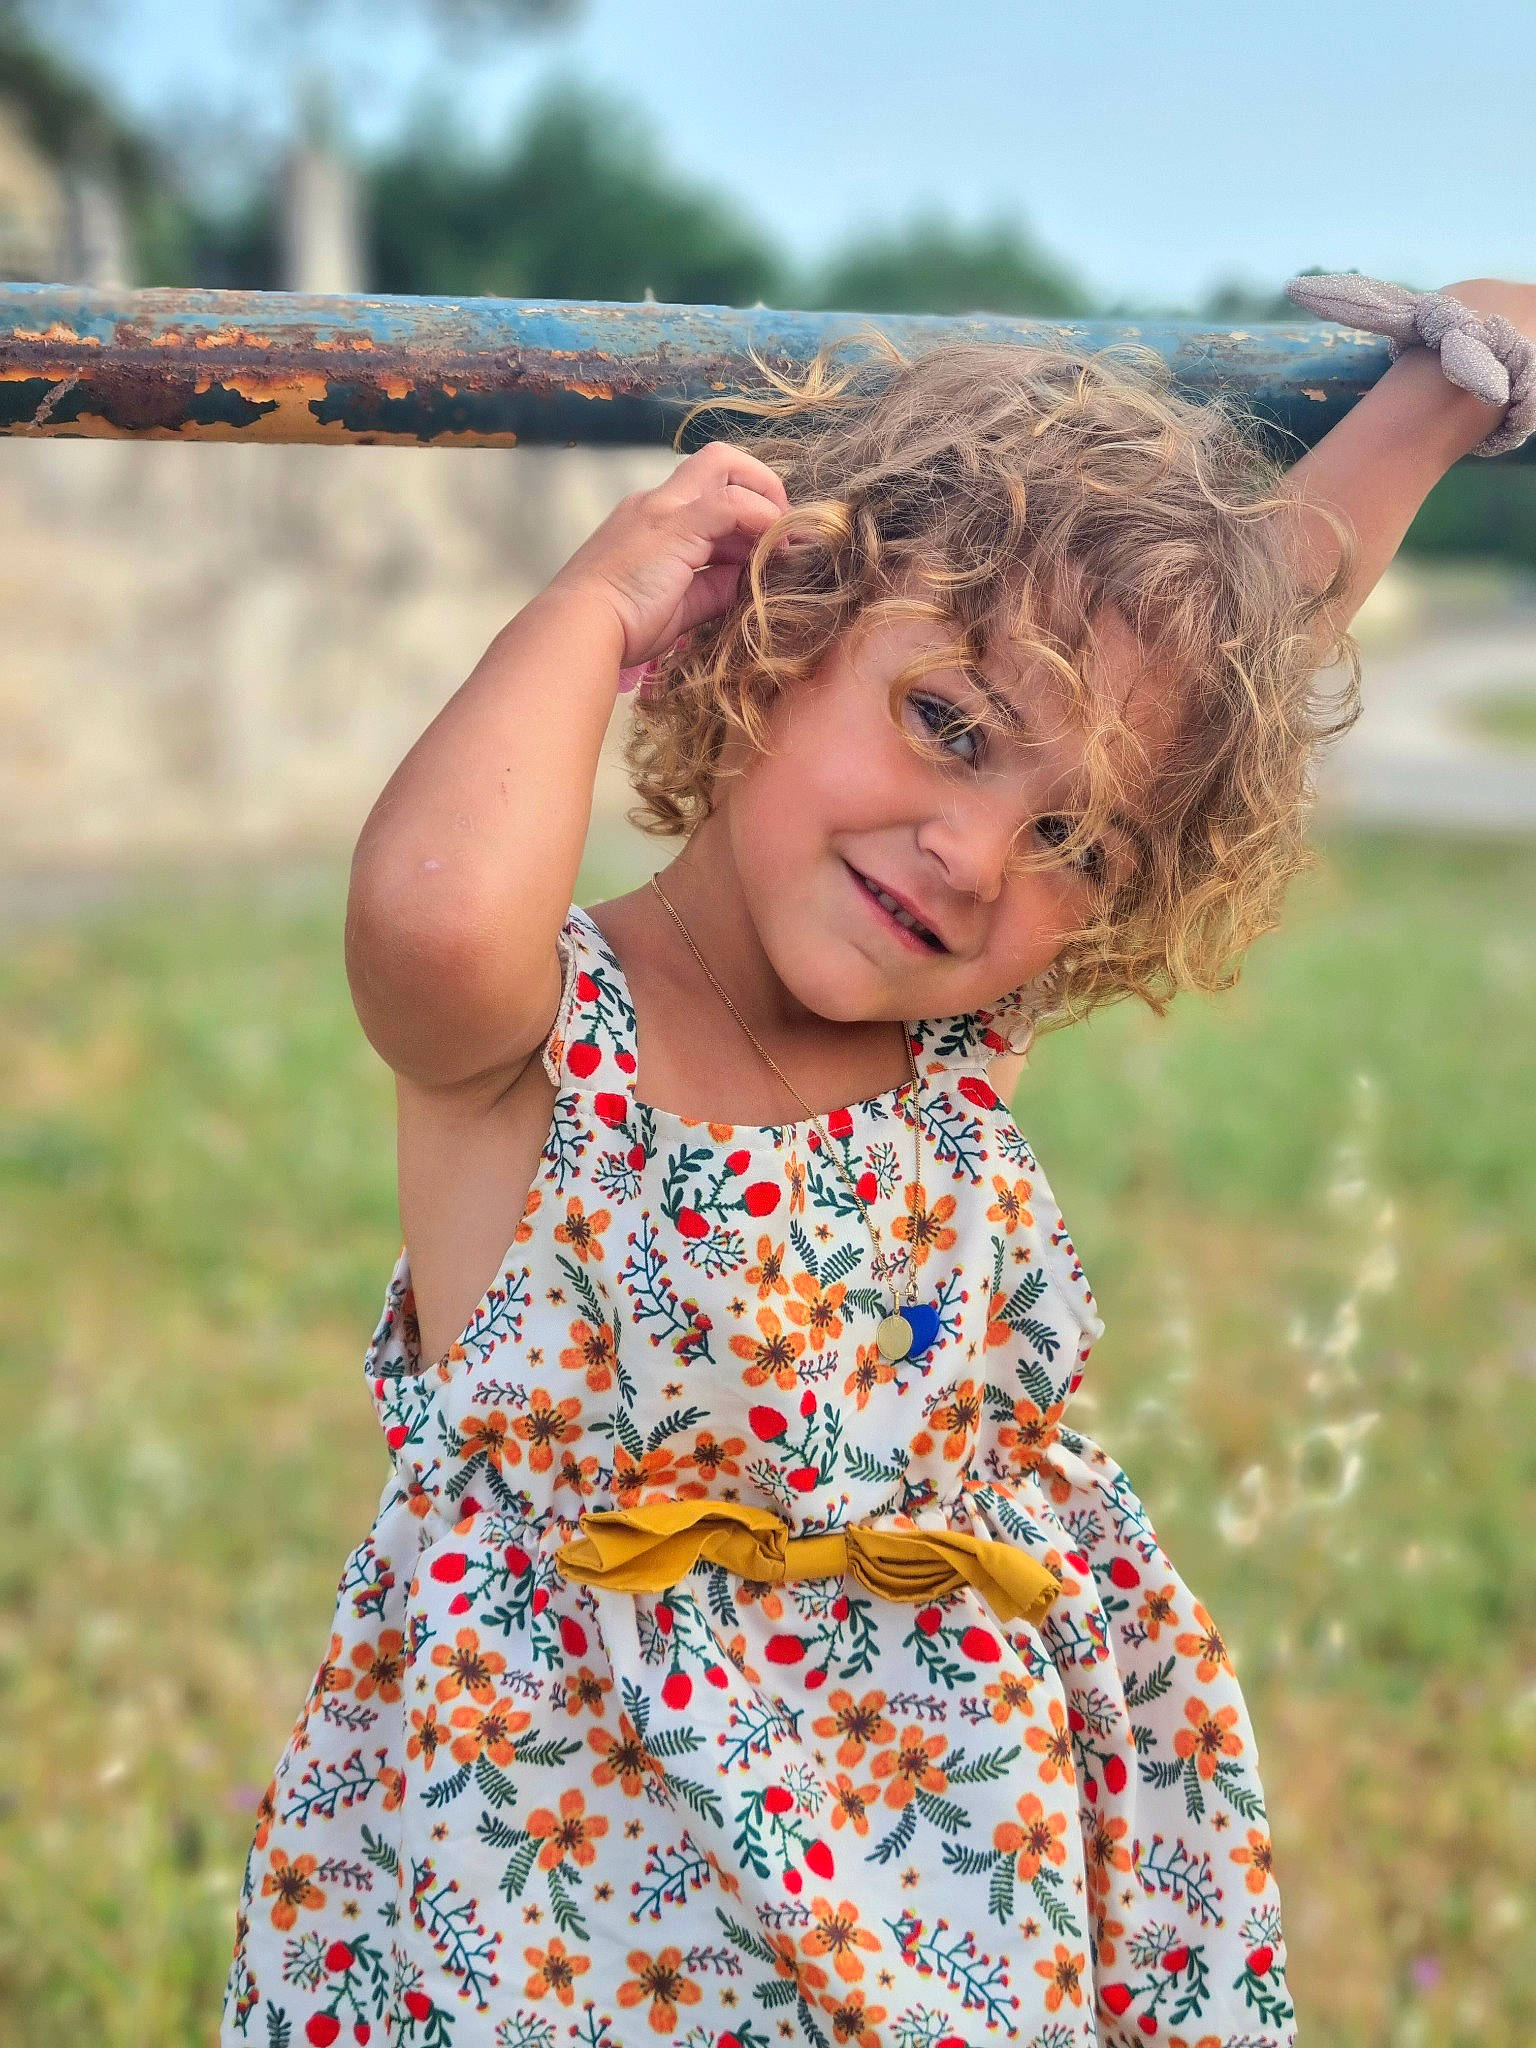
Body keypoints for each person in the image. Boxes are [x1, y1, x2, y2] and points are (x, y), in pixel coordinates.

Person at [221, 281, 1526, 2048]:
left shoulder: (951, 1039)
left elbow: (1256, 620)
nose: (977, 853)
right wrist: (597, 612)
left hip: (951, 1836)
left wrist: (1450, 392)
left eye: (1070, 833)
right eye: (950, 725)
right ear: (776, 632)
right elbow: (428, 911)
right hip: (569, 1878)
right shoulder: (529, 1044)